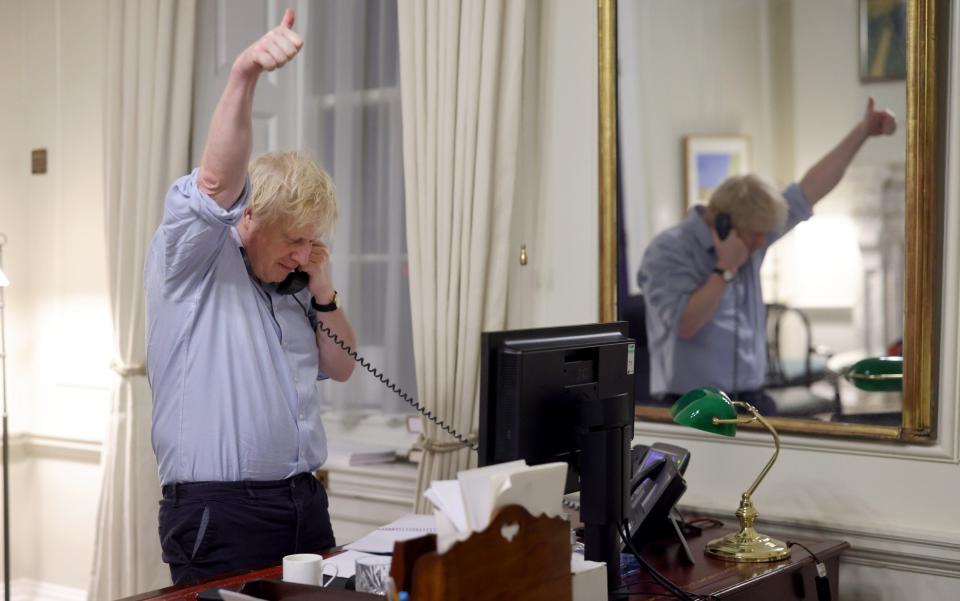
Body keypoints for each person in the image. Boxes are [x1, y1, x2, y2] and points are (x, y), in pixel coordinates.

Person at [145, 9, 358, 583]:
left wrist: (322, 289)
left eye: (314, 242)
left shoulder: (295, 283)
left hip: (303, 504)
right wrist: (243, 76)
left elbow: (341, 369)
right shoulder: (193, 259)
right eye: (295, 240)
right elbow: (215, 182)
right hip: (221, 512)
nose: (303, 254)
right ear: (250, 217)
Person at [638, 98, 897, 415]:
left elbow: (809, 190)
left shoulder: (752, 237)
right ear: (724, 223)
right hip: (694, 405)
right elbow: (685, 325)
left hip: (752, 397)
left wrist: (863, 131)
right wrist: (724, 270)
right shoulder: (669, 251)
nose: (763, 242)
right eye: (755, 235)